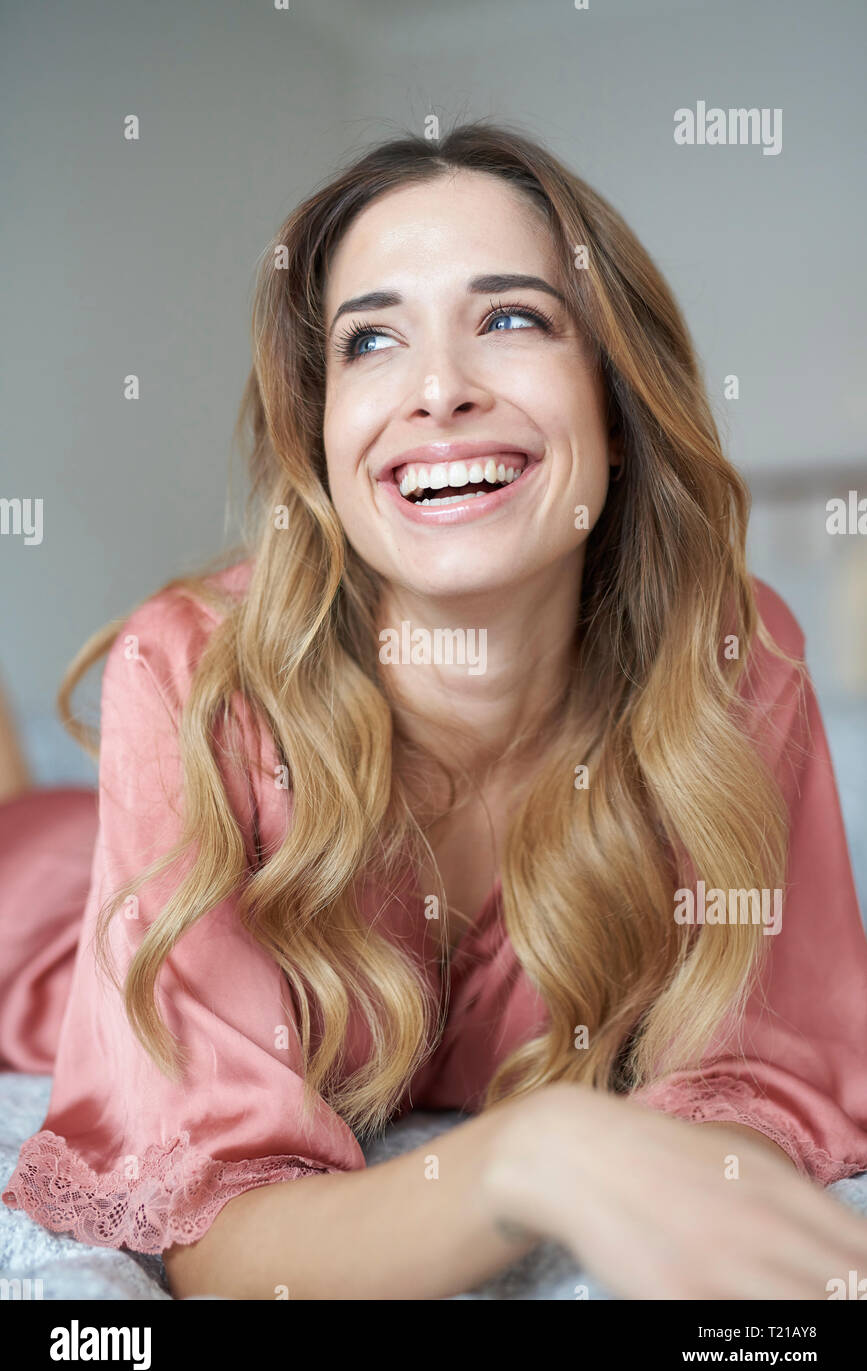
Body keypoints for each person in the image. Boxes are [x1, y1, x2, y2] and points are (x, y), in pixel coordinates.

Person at [2, 121, 867, 1302]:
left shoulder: (735, 658)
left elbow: (763, 1084)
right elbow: (219, 1234)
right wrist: (533, 1153)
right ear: (323, 440)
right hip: (39, 918)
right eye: (371, 340)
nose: (439, 390)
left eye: (511, 318)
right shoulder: (191, 671)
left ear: (614, 409)